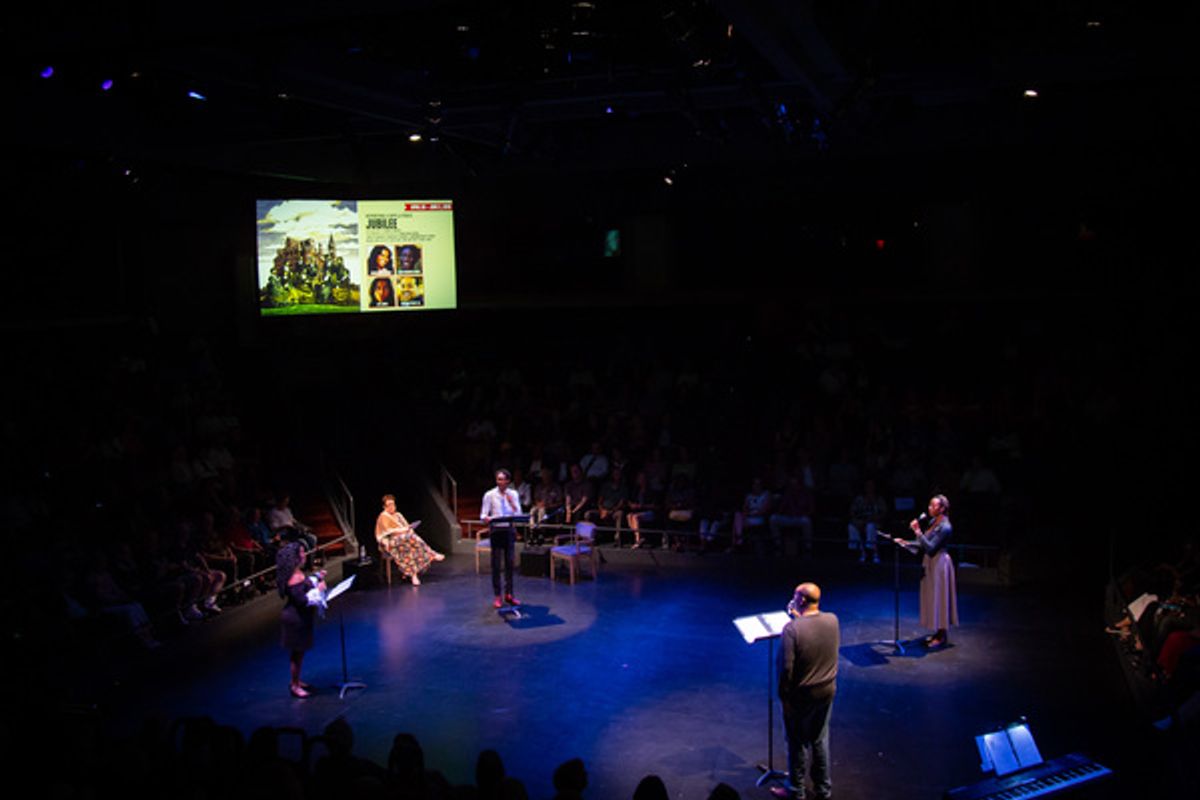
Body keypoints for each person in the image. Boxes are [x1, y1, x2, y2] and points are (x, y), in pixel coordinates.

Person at [775, 582, 839, 800]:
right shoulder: (832, 620)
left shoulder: (792, 630)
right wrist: (798, 618)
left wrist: (784, 697)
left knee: (797, 741)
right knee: (820, 739)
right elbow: (812, 632)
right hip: (827, 689)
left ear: (801, 600)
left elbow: (786, 669)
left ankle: (796, 789)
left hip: (802, 695)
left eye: (795, 595)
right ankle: (823, 789)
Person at [899, 494, 958, 647]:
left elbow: (931, 549)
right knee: (933, 597)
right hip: (930, 562)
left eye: (933, 506)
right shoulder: (933, 522)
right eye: (929, 505)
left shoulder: (945, 527)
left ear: (942, 509)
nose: (929, 508)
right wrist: (906, 543)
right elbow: (924, 544)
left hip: (939, 563)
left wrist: (918, 532)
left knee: (940, 597)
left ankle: (941, 635)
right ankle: (938, 632)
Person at [277, 542, 323, 698]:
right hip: (295, 619)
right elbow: (302, 600)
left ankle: (296, 680)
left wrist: (317, 577)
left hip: (299, 617)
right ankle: (295, 685)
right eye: (302, 553)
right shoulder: (294, 576)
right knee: (297, 654)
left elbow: (306, 584)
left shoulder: (296, 573)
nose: (305, 555)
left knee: (299, 654)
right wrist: (319, 590)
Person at [375, 494, 444, 586]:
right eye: (389, 505)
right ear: (384, 507)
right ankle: (431, 553)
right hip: (389, 543)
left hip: (403, 541)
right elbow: (390, 533)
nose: (392, 507)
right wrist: (405, 531)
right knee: (408, 538)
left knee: (408, 546)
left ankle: (413, 575)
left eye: (393, 504)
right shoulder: (383, 516)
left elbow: (407, 526)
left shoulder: (398, 515)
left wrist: (409, 529)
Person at [481, 468, 523, 608]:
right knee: (496, 565)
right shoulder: (489, 495)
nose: (501, 482)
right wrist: (486, 519)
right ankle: (497, 596)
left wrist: (511, 503)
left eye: (503, 479)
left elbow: (519, 513)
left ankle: (509, 594)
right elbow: (483, 515)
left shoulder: (513, 494)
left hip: (509, 530)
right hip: (496, 531)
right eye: (498, 479)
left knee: (510, 564)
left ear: (508, 481)